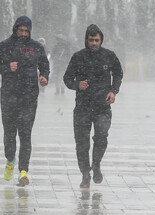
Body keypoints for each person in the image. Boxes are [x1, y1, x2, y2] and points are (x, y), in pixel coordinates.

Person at [0, 16, 50, 187]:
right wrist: (7, 67)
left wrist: (44, 76)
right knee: (9, 134)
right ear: (15, 29)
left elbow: (45, 64)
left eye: (26, 31)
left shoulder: (36, 47)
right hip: (8, 97)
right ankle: (9, 160)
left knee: (25, 134)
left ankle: (24, 172)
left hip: (29, 98)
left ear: (30, 31)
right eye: (20, 30)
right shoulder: (4, 46)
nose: (23, 34)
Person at [64, 24, 123, 188]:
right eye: (91, 40)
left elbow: (118, 73)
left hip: (102, 107)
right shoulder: (78, 57)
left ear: (101, 40)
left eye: (97, 40)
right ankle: (85, 174)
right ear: (86, 40)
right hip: (82, 107)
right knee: (81, 143)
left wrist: (113, 91)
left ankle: (96, 164)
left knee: (101, 137)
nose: (94, 43)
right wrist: (77, 85)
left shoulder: (109, 56)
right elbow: (67, 78)